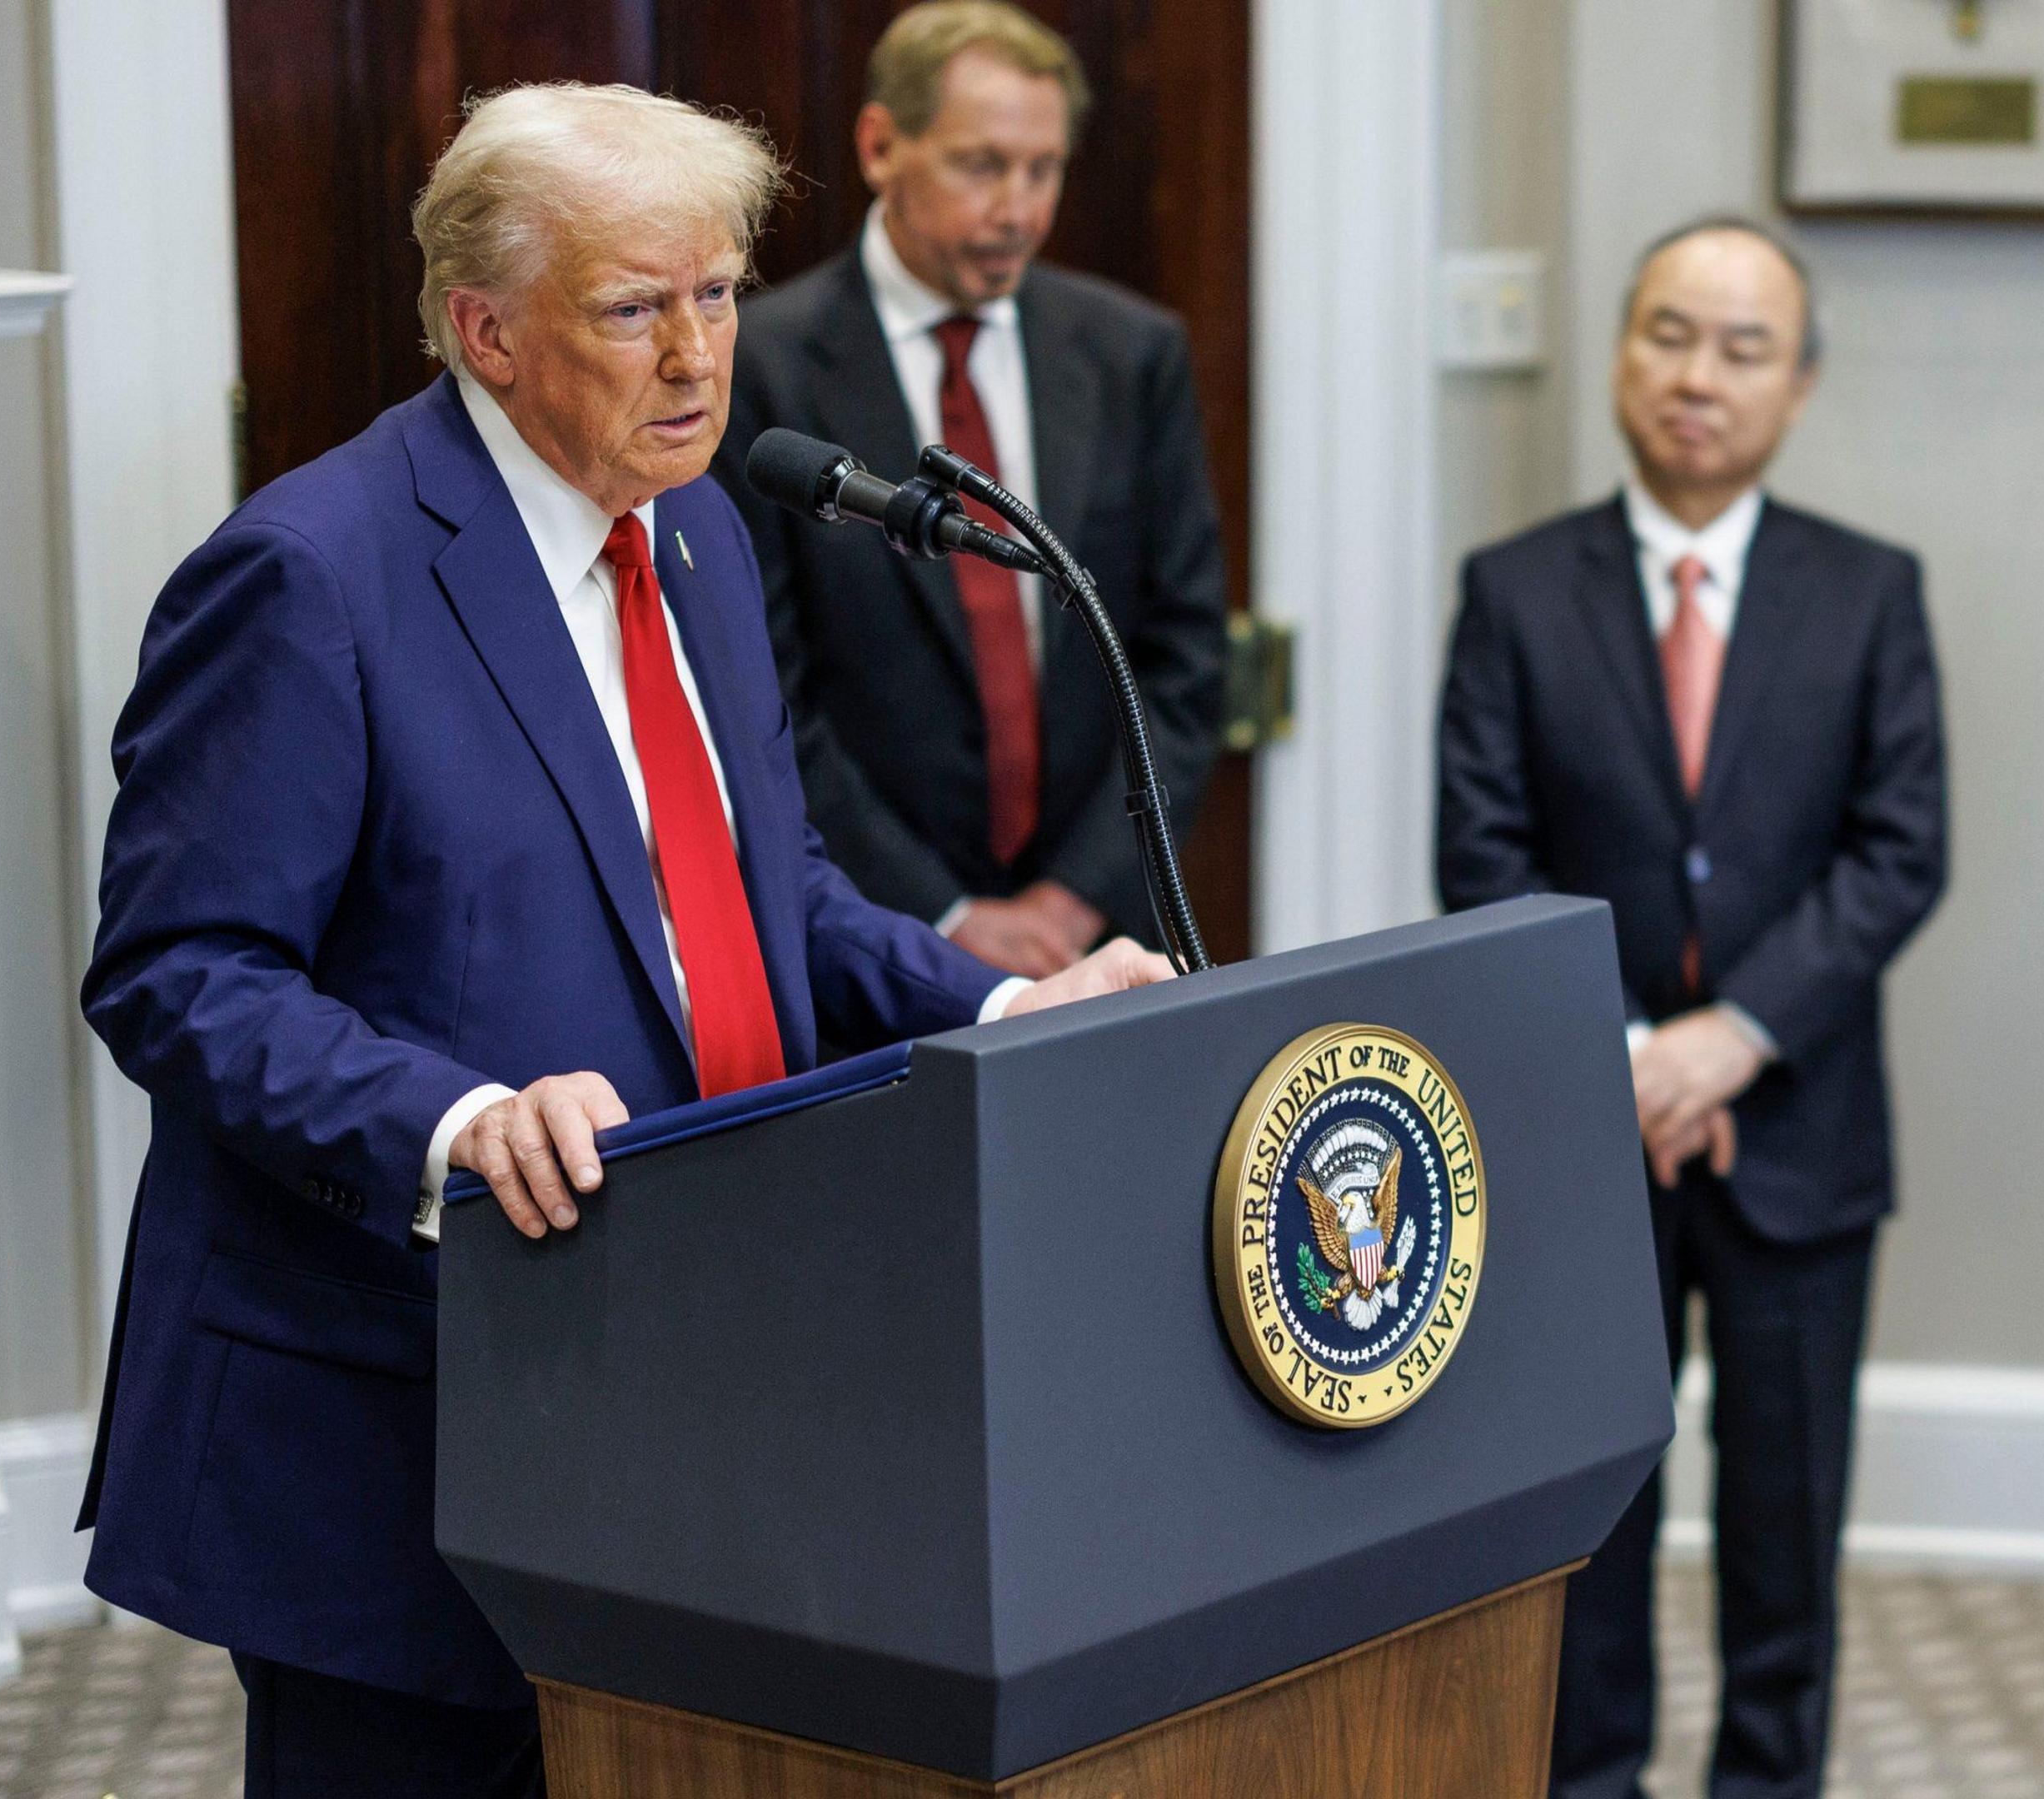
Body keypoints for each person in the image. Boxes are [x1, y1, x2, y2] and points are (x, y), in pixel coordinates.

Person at [75, 83, 1169, 1797]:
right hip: (403, 1413)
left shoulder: (705, 534)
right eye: (635, 309)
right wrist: (449, 1121)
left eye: (719, 297)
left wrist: (1011, 1002)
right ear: (486, 332)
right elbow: (179, 973)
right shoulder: (311, 573)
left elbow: (762, 893)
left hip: (679, 1372)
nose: (696, 360)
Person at [1440, 217, 1947, 1799]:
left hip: (1801, 1131)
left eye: (1743, 349)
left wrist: (1738, 1037)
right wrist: (1637, 1058)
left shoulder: (1871, 593)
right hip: (1587, 1138)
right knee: (1592, 1523)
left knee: (1788, 1527)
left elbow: (1901, 849)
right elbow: (1482, 856)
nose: (1698, 378)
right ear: (1617, 354)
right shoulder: (1516, 591)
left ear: (1797, 386)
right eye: (1668, 334)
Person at [719, 0, 1228, 979]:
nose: (1020, 210)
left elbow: (1182, 661)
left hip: (1105, 928)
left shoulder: (1132, 354)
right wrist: (943, 914)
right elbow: (763, 696)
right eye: (982, 165)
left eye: (1044, 170)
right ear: (880, 147)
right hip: (867, 942)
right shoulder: (761, 368)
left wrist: (1075, 895)